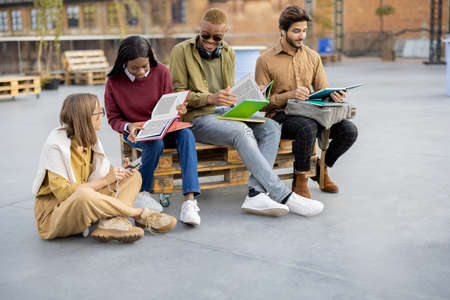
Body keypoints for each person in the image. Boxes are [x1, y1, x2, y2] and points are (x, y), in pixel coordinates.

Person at [169, 8, 323, 217]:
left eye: (217, 37)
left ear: (224, 34)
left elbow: (229, 90)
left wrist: (246, 96)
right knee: (242, 131)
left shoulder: (228, 53)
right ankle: (283, 195)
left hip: (224, 113)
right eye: (205, 35)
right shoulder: (181, 51)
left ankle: (255, 194)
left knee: (270, 126)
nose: (210, 41)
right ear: (200, 29)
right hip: (197, 118)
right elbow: (179, 94)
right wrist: (210, 98)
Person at [32, 93, 177, 243]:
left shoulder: (89, 140)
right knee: (84, 195)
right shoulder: (56, 147)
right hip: (56, 214)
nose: (102, 115)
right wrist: (106, 180)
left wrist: (119, 171)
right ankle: (139, 214)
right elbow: (66, 194)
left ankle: (111, 222)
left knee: (133, 176)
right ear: (84, 117)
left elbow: (97, 173)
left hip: (86, 199)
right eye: (98, 112)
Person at [255, 5, 358, 199]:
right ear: (282, 31)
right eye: (296, 31)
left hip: (311, 112)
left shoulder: (313, 57)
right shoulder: (265, 60)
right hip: (280, 116)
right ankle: (300, 179)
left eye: (304, 31)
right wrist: (289, 95)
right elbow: (261, 103)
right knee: (307, 127)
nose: (301, 36)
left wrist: (333, 96)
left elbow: (322, 91)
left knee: (349, 131)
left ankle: (321, 169)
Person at [105, 35, 201, 226]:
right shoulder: (114, 83)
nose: (141, 72)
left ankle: (189, 201)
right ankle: (142, 192)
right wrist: (129, 126)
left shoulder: (161, 72)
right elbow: (113, 118)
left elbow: (169, 104)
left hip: (164, 126)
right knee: (153, 142)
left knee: (186, 135)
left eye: (145, 66)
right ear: (124, 63)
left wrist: (179, 110)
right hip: (136, 131)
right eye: (135, 68)